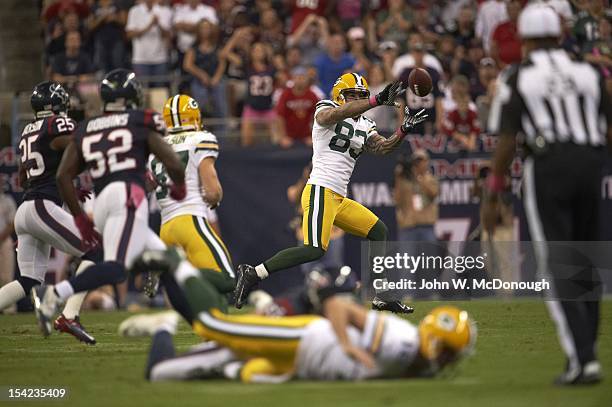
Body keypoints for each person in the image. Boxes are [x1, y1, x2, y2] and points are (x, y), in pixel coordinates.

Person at [483, 4, 611, 385]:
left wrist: (493, 194)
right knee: (587, 257)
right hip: (590, 164)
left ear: (523, 42)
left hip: (549, 166)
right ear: (559, 35)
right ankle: (587, 350)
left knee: (558, 262)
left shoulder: (519, 77)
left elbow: (506, 143)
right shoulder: (589, 72)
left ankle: (582, 359)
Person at [233, 73, 427, 313]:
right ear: (339, 95)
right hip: (320, 190)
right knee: (314, 249)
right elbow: (332, 116)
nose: (356, 100)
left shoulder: (365, 124)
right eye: (352, 95)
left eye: (360, 96)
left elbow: (382, 147)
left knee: (379, 231)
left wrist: (402, 130)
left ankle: (382, 295)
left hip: (338, 197)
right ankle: (253, 272)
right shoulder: (326, 107)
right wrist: (375, 101)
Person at [120, 253, 476, 383]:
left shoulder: (425, 368)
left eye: (451, 355)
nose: (444, 361)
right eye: (446, 350)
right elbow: (339, 308)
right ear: (432, 339)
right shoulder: (401, 340)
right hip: (306, 340)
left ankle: (163, 327)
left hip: (297, 368)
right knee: (212, 326)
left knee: (162, 374)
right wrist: (352, 348)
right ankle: (174, 263)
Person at [34, 70, 194, 339]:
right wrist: (179, 187)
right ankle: (52, 294)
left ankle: (203, 326)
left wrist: (80, 218)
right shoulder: (140, 120)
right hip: (128, 196)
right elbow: (173, 162)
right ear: (132, 97)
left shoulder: (87, 127)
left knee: (168, 264)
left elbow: (63, 175)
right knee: (117, 268)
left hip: (104, 199)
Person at [0, 82, 100, 344]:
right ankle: (70, 315)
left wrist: (61, 183)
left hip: (27, 208)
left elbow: (23, 178)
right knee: (96, 250)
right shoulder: (57, 124)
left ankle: (68, 314)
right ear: (59, 104)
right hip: (42, 207)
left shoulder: (27, 131)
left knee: (27, 281)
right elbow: (80, 144)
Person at [147, 94, 235, 323]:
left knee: (194, 290)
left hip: (165, 227)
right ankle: (173, 272)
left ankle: (216, 335)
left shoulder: (155, 147)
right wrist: (213, 199)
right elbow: (213, 190)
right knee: (226, 279)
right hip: (190, 221)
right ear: (194, 116)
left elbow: (149, 185)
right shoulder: (200, 138)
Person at [183, 20, 228, 135]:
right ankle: (198, 133)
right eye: (202, 28)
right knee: (200, 101)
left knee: (221, 105)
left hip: (215, 79)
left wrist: (216, 78)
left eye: (207, 28)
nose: (205, 30)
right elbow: (188, 65)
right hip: (199, 80)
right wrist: (201, 75)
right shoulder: (193, 47)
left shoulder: (217, 46)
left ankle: (222, 134)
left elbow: (222, 63)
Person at [125, 0, 172, 87]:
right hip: (140, 59)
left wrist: (158, 24)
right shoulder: (135, 11)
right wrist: (149, 25)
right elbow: (129, 34)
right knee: (142, 91)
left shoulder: (165, 11)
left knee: (159, 91)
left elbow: (168, 35)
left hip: (160, 59)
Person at [241, 42, 279, 146]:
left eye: (261, 50)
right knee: (246, 142)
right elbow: (225, 54)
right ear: (251, 53)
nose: (258, 53)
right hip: (251, 107)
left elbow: (281, 81)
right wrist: (236, 37)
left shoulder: (272, 68)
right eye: (256, 50)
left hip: (268, 107)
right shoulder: (247, 67)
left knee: (276, 140)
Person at [275, 67, 320, 148]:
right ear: (293, 79)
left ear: (306, 80)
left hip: (306, 135)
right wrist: (283, 136)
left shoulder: (312, 95)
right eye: (297, 77)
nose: (300, 80)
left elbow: (317, 116)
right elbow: (280, 117)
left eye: (302, 78)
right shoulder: (285, 94)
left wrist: (314, 136)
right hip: (289, 135)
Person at [88, 0, 128, 73]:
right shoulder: (95, 6)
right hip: (100, 40)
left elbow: (124, 21)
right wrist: (101, 19)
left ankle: (118, 82)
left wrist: (114, 19)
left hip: (116, 40)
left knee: (117, 63)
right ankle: (102, 83)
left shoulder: (117, 4)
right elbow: (90, 26)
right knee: (101, 66)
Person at [490, 0, 522, 68]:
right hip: (502, 66)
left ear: (520, 10)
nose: (513, 12)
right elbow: (493, 48)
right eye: (511, 9)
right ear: (507, 11)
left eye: (516, 9)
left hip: (522, 65)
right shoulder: (499, 27)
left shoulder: (525, 27)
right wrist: (500, 64)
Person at [0, 188, 17, 308]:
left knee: (6, 277)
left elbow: (12, 223)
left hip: (4, 241)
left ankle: (9, 310)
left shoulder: (7, 200)